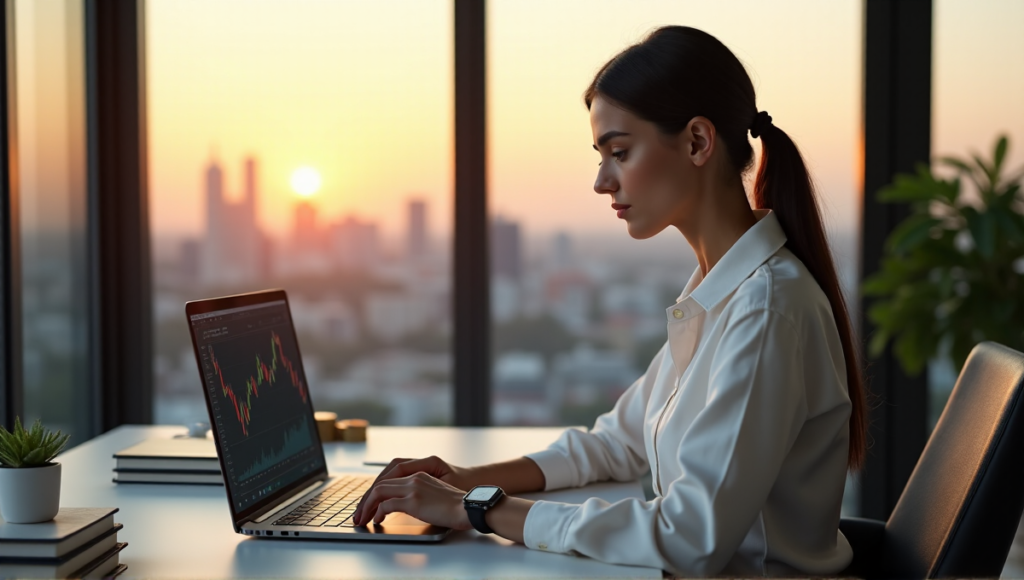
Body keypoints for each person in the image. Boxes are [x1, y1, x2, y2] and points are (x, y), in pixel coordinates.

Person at [352, 25, 866, 577]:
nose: (602, 182)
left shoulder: (765, 312)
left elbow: (688, 538)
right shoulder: (716, 291)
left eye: (619, 152)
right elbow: (614, 446)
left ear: (697, 142)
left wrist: (478, 510)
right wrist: (464, 478)